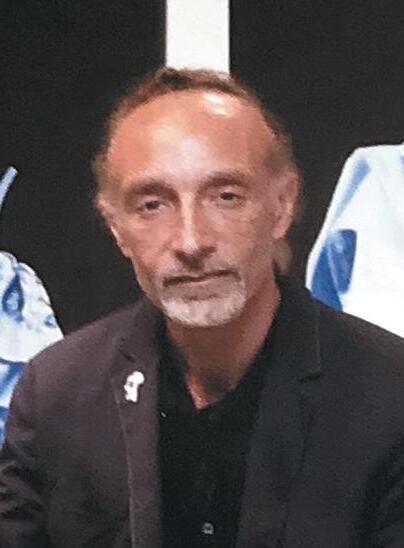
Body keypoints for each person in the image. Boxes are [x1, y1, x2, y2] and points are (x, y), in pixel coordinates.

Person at [0, 67, 404, 548]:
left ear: (282, 205)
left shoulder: (389, 396)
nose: (191, 241)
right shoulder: (56, 392)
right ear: (115, 227)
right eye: (152, 204)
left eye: (225, 197)